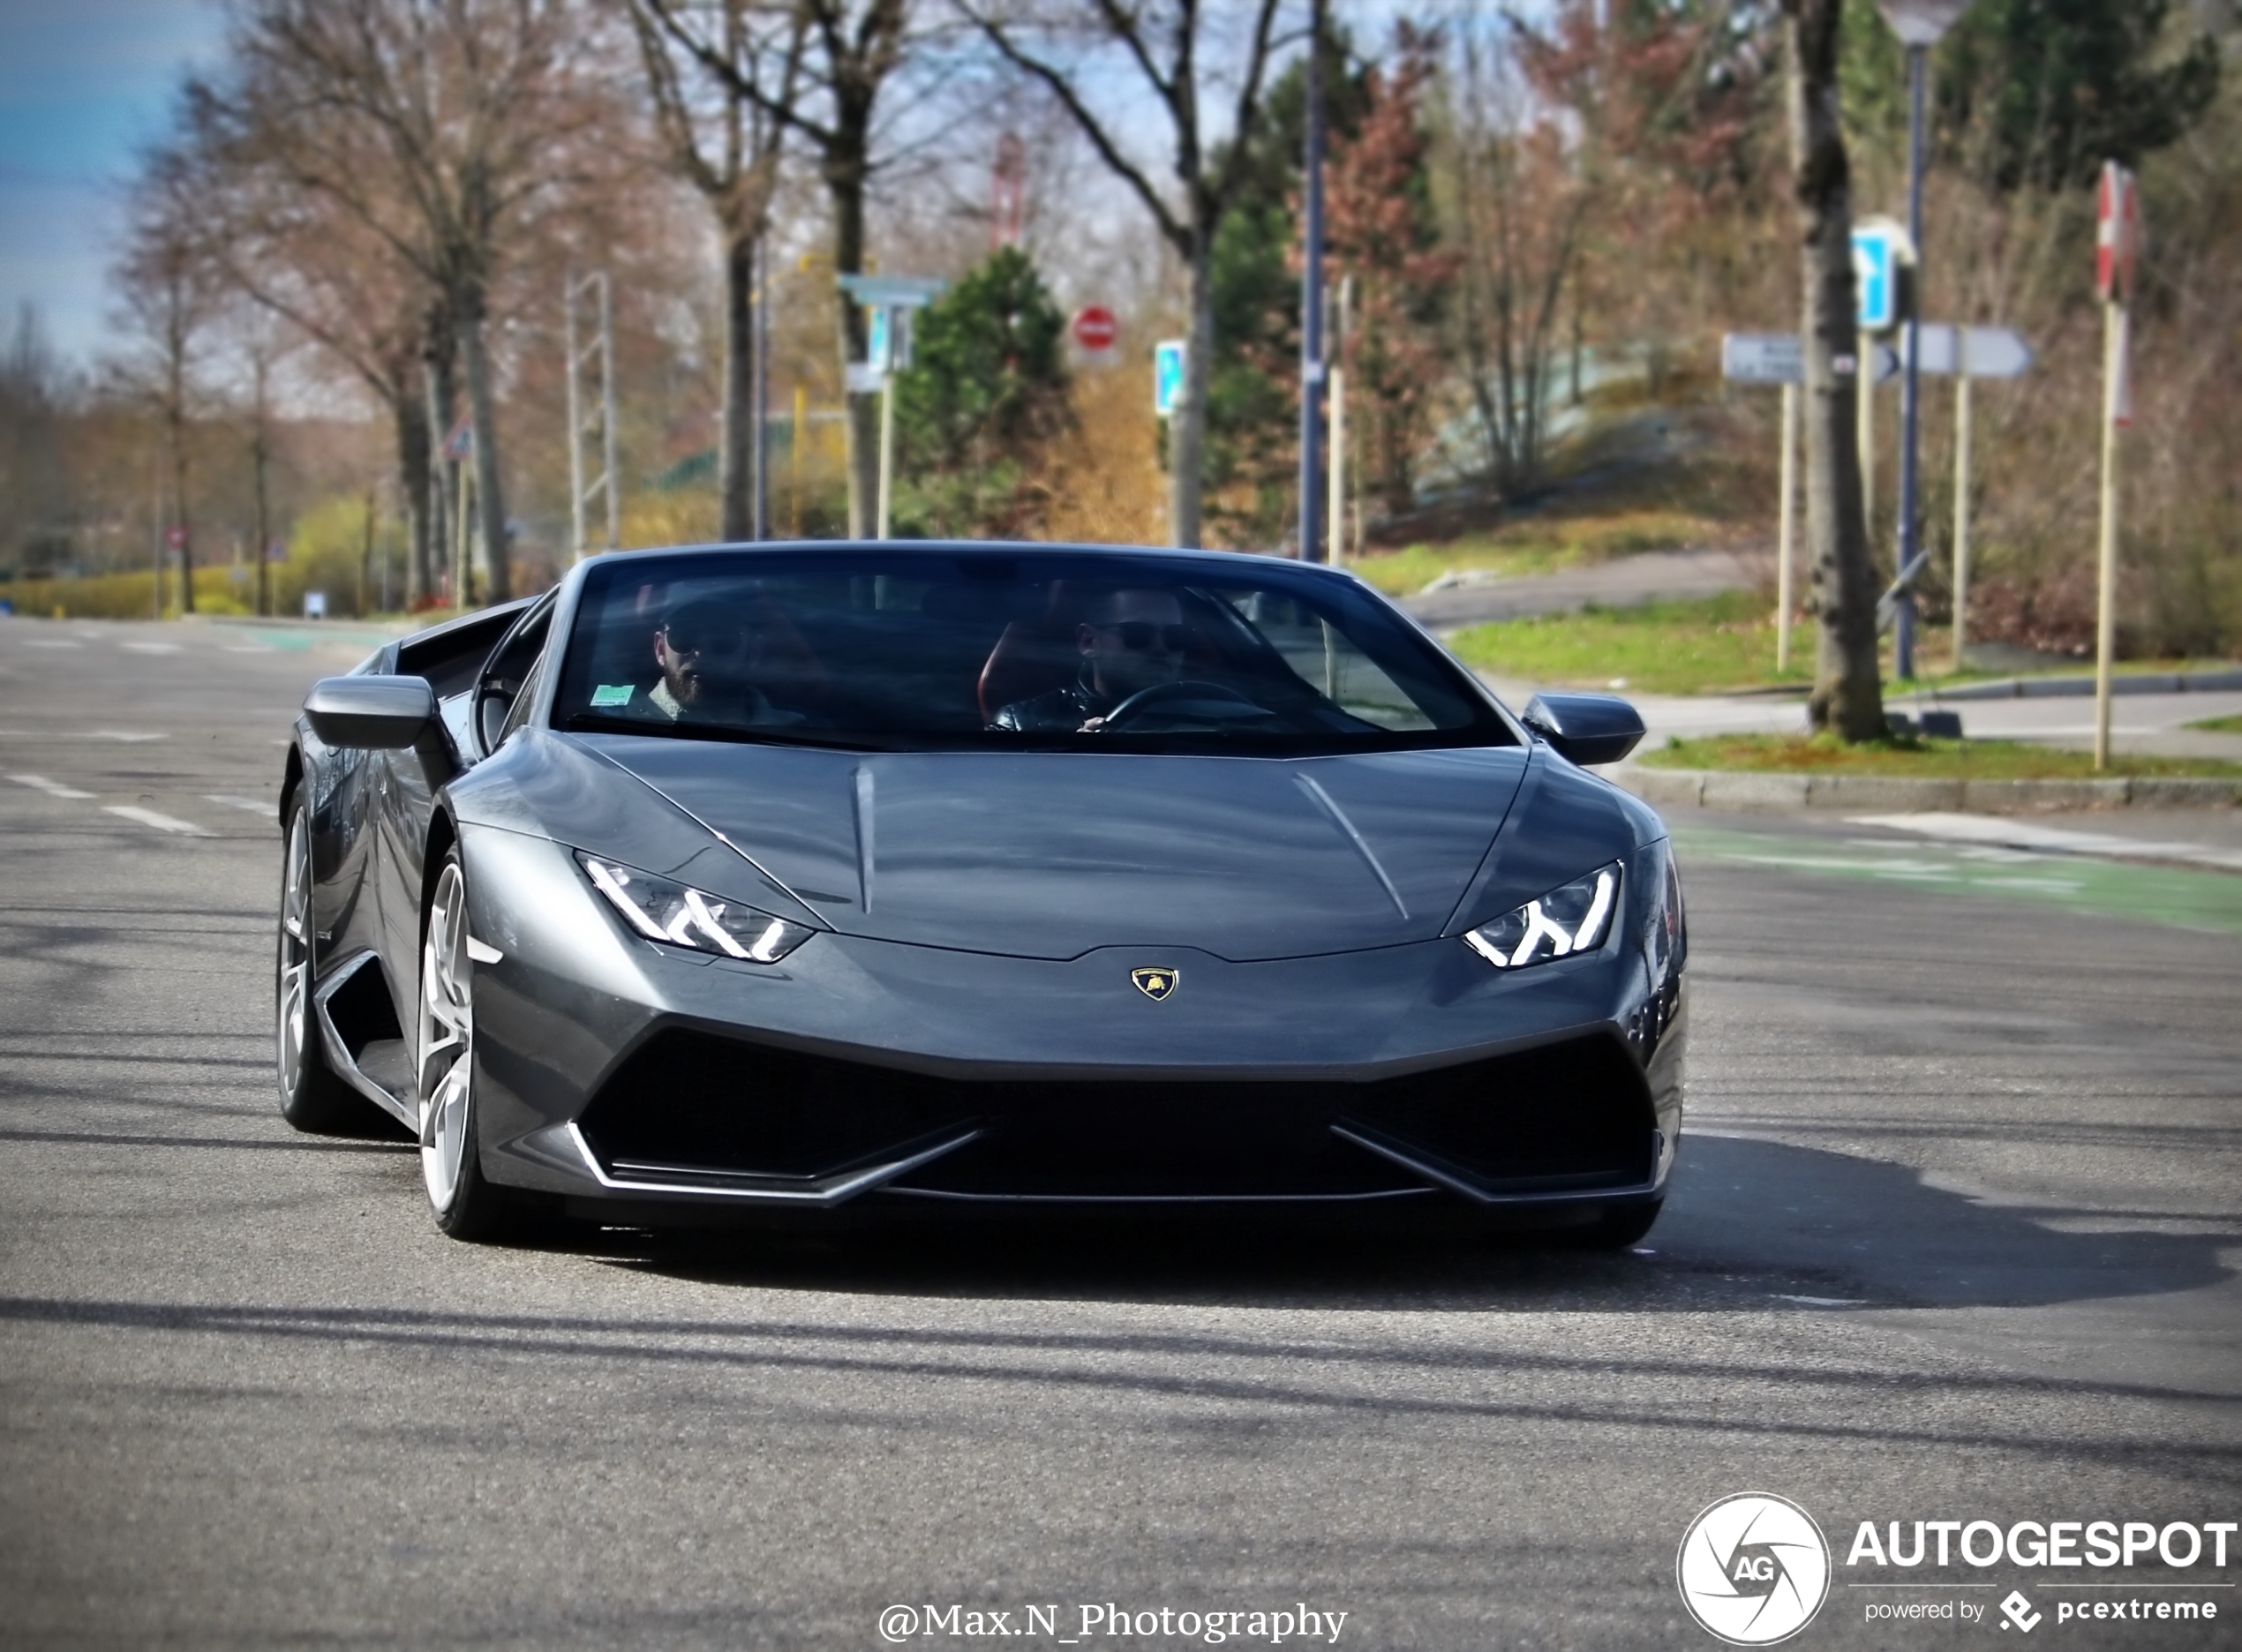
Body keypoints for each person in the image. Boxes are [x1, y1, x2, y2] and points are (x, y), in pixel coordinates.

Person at [990, 587, 1189, 732]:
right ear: (1089, 642)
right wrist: (1073, 758)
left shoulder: (1212, 717)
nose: (1160, 647)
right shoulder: (1019, 726)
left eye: (1175, 636)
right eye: (1137, 634)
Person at [624, 597, 798, 726]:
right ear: (660, 649)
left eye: (723, 638)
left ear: (753, 652)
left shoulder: (800, 732)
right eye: (684, 635)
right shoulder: (618, 727)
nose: (701, 652)